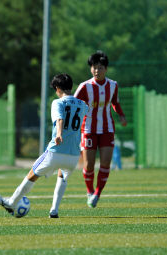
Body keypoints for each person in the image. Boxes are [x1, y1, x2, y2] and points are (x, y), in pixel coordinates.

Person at [0, 73, 88, 218]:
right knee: (62, 177)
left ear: (57, 88)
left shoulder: (58, 103)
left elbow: (60, 119)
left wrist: (59, 134)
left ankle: (12, 202)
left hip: (56, 151)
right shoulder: (83, 104)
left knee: (32, 174)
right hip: (74, 155)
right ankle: (54, 210)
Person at [74, 51, 127, 208]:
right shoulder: (84, 87)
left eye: (100, 67)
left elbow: (115, 103)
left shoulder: (113, 85)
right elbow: (74, 104)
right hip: (88, 129)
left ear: (106, 69)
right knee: (89, 165)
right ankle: (89, 191)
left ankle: (97, 193)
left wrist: (121, 116)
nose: (97, 70)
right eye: (94, 67)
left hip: (107, 129)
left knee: (105, 163)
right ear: (91, 69)